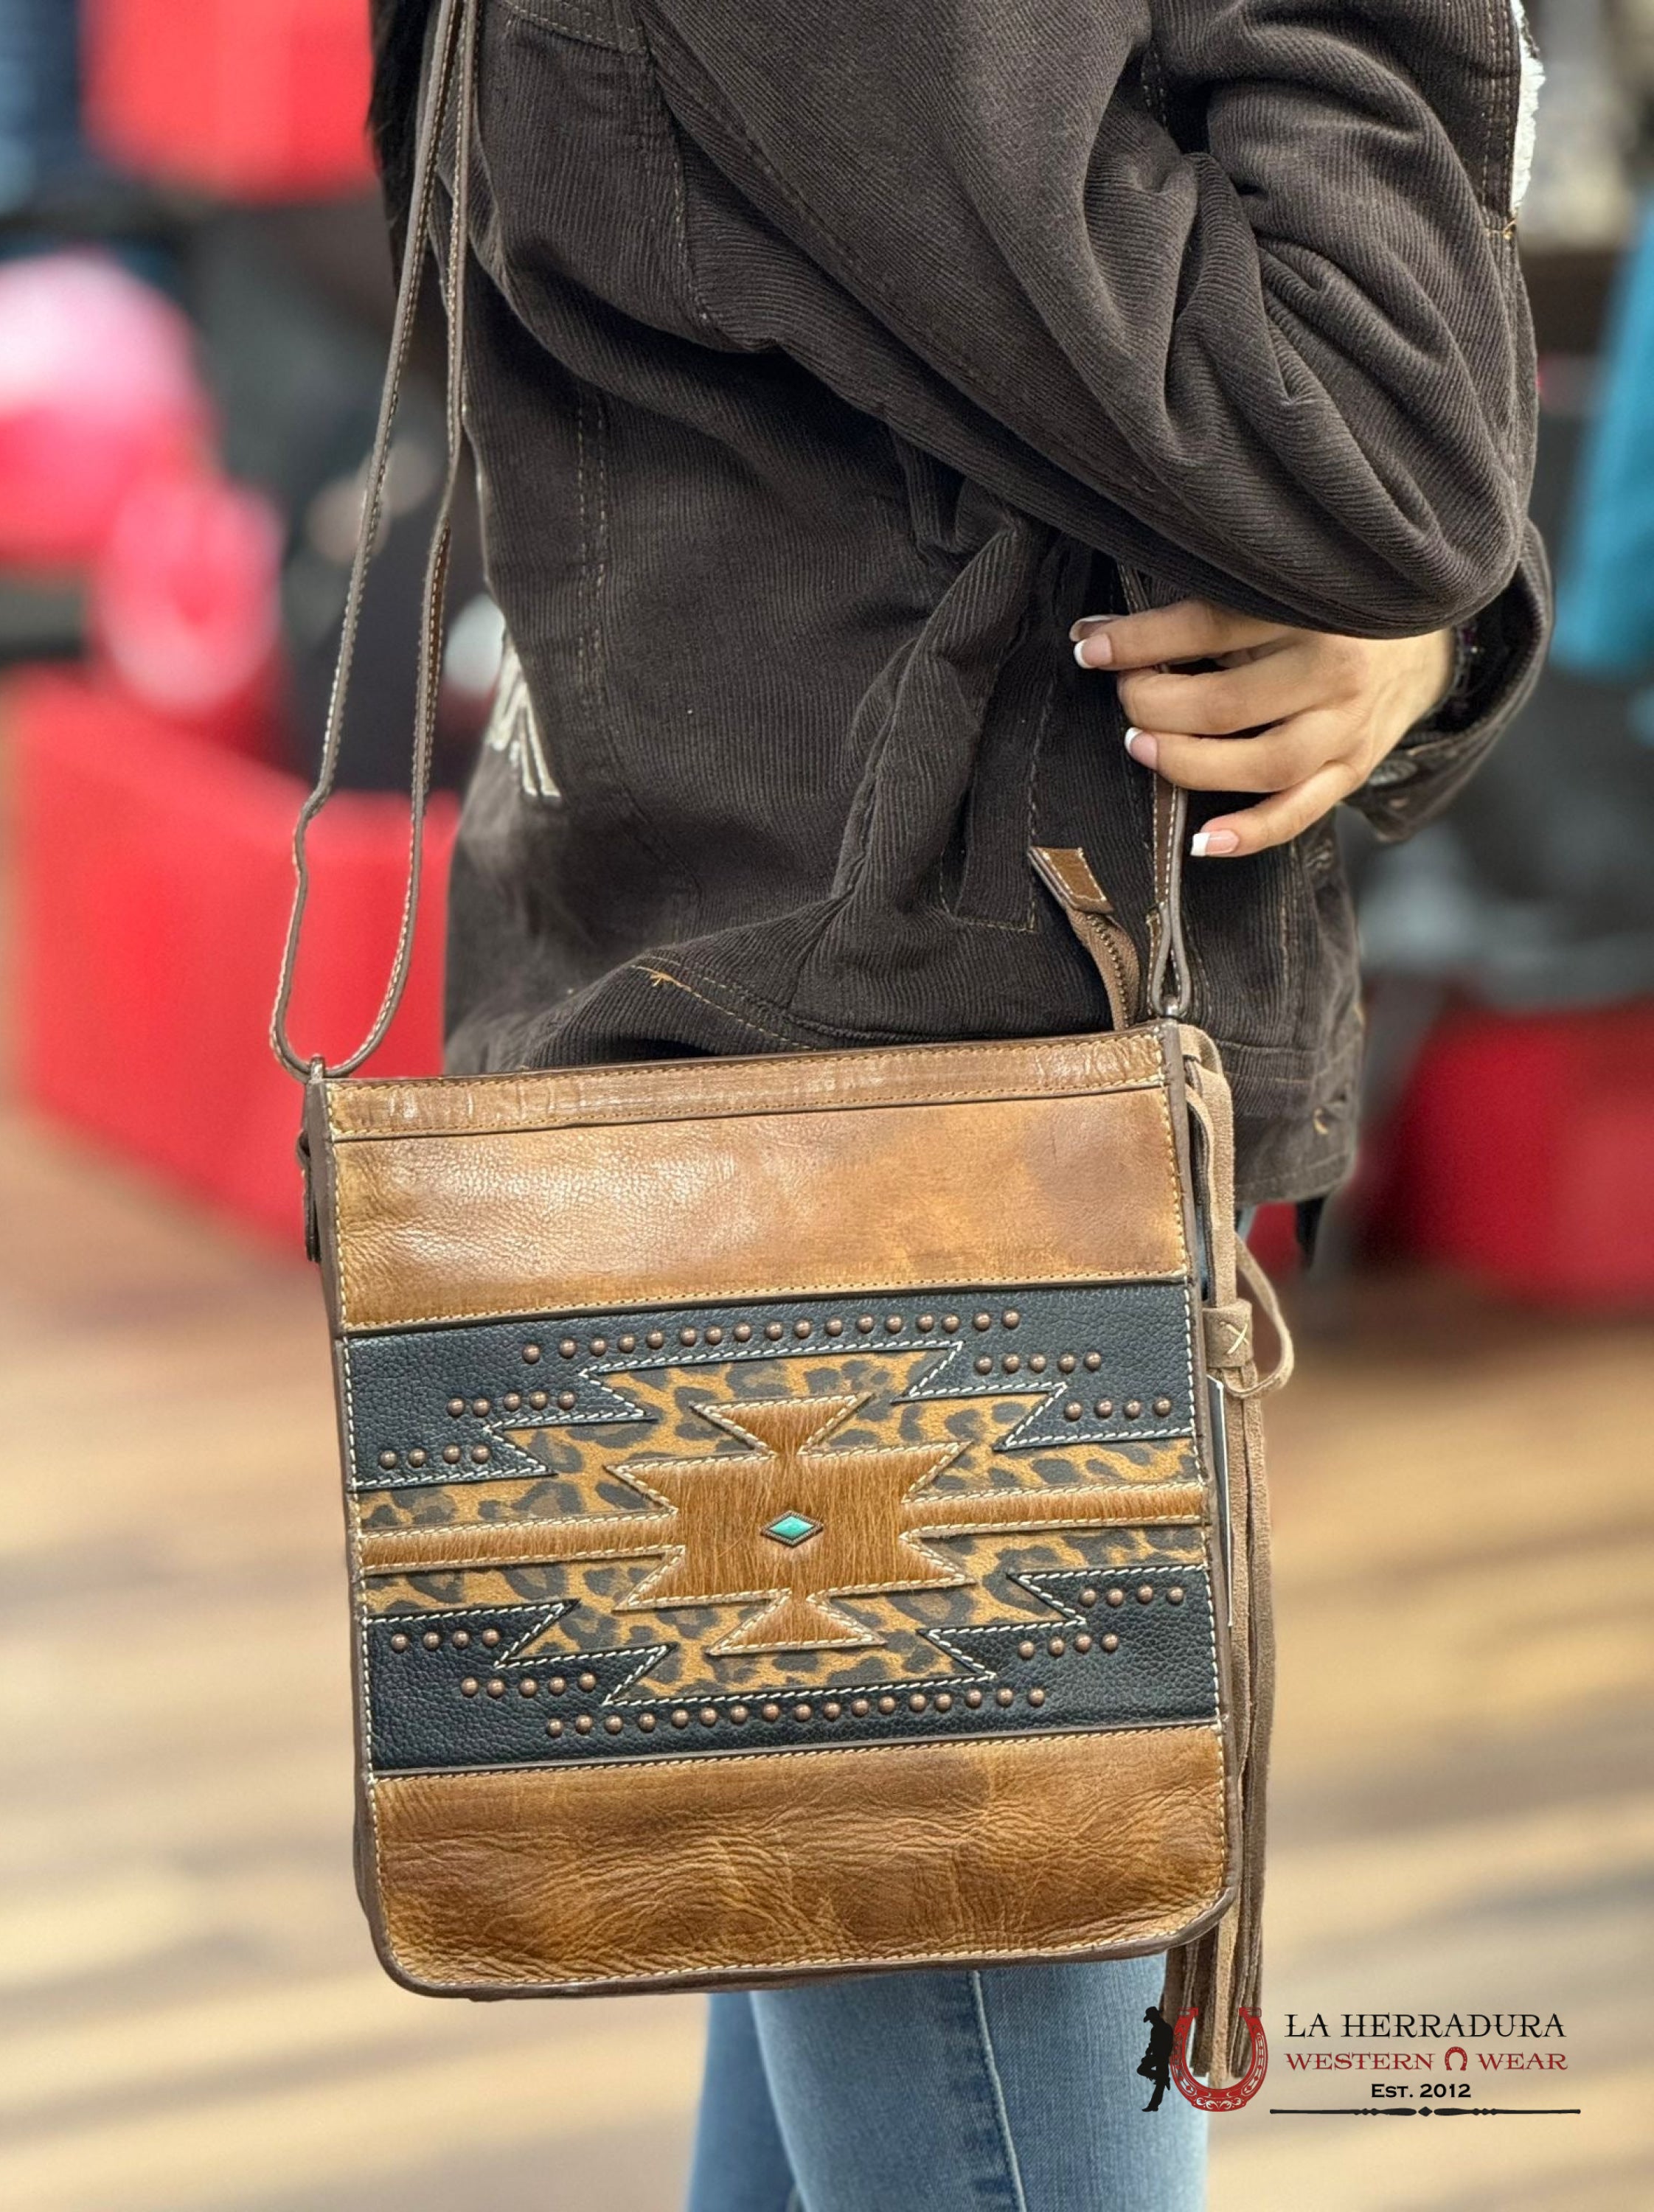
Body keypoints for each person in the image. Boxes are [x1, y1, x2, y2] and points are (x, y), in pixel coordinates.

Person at [366, 4, 1549, 2205]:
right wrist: (1391, 554)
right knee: (979, 2094)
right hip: (906, 1190)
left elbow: (1270, 469)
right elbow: (1371, 461)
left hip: (873, 1123)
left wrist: (1398, 625)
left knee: (879, 2073)